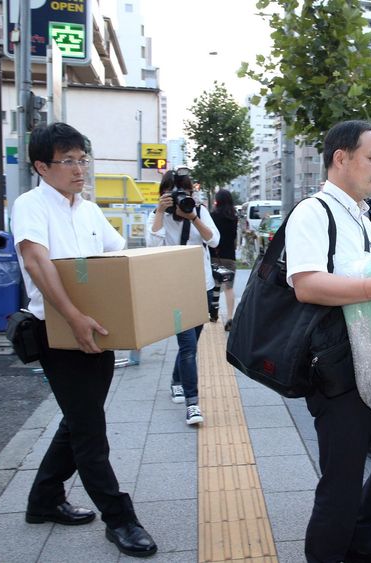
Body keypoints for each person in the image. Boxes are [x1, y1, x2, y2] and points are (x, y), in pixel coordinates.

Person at [11, 122, 157, 558]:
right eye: (69, 161)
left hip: (96, 328)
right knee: (90, 429)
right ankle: (120, 520)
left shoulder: (88, 209)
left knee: (79, 419)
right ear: (42, 166)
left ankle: (43, 500)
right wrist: (72, 317)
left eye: (82, 159)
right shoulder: (30, 205)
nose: (80, 169)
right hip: (57, 332)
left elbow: (116, 258)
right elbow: (37, 263)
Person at [285, 120, 371, 563]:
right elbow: (306, 285)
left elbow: (368, 274)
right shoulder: (313, 211)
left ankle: (360, 544)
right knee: (341, 485)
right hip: (335, 367)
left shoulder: (362, 215)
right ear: (340, 158)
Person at [146, 167, 220, 424]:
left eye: (185, 192)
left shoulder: (199, 212)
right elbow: (152, 246)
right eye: (173, 193)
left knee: (193, 342)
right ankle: (192, 403)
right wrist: (159, 211)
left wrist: (193, 217)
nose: (179, 197)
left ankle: (176, 379)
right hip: (175, 289)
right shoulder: (159, 216)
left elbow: (214, 240)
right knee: (187, 347)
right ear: (163, 195)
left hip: (202, 286)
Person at [209, 188, 238, 331]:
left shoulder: (212, 216)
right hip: (229, 257)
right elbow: (233, 238)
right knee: (229, 288)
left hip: (214, 255)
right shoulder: (234, 217)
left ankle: (213, 313)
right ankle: (230, 318)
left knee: (214, 285)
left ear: (217, 201)